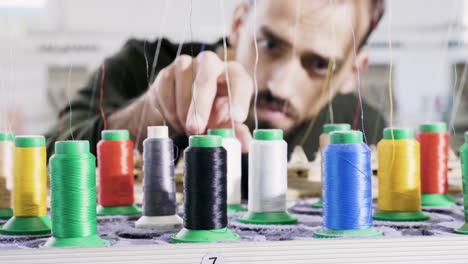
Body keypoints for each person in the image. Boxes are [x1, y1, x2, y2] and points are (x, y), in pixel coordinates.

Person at [46, 0, 386, 161]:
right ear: (238, 24)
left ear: (353, 73)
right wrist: (148, 115)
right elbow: (40, 159)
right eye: (268, 44)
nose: (280, 86)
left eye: (319, 64)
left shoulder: (363, 125)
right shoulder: (139, 66)